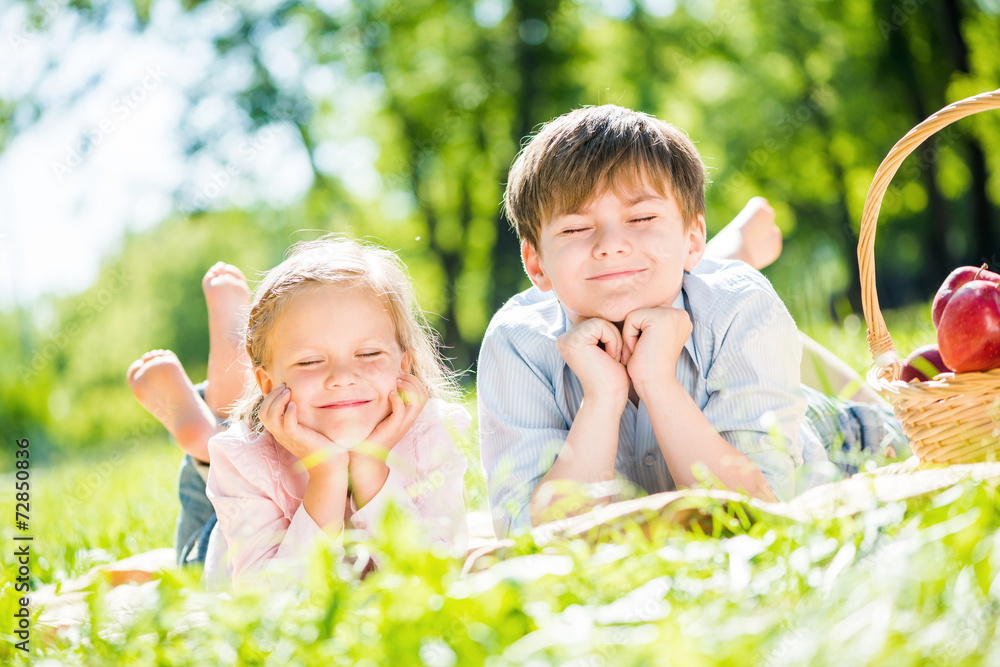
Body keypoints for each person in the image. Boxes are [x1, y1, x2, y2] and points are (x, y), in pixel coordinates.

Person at [478, 104, 908, 538]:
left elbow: (757, 513)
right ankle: (735, 243)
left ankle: (732, 251)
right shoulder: (517, 343)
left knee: (917, 430)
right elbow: (530, 539)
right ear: (536, 264)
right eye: (574, 229)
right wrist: (603, 398)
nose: (611, 245)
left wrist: (658, 383)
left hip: (840, 438)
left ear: (693, 238)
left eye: (642, 218)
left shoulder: (740, 304)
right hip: (716, 335)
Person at [128, 238, 470, 588]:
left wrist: (370, 468)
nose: (342, 378)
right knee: (193, 559)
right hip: (222, 550)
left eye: (368, 354)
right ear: (268, 383)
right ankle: (206, 445)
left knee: (220, 439)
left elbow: (435, 574)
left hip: (245, 446)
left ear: (404, 364)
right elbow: (269, 601)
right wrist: (325, 474)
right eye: (309, 361)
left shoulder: (432, 433)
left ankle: (214, 419)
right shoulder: (244, 459)